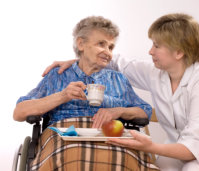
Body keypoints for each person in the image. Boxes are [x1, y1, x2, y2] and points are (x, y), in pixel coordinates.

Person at [43, 13, 199, 170]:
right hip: (180, 145)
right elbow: (115, 62)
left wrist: (147, 146)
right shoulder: (156, 73)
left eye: (157, 45)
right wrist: (78, 60)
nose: (150, 51)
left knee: (194, 169)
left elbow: (193, 147)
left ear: (179, 52)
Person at [13, 16, 159, 171]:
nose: (108, 52)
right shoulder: (58, 75)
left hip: (109, 136)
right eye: (101, 44)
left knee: (122, 158)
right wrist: (63, 96)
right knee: (71, 157)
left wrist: (119, 111)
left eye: (111, 47)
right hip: (65, 138)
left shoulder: (118, 79)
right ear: (81, 44)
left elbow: (145, 111)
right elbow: (19, 112)